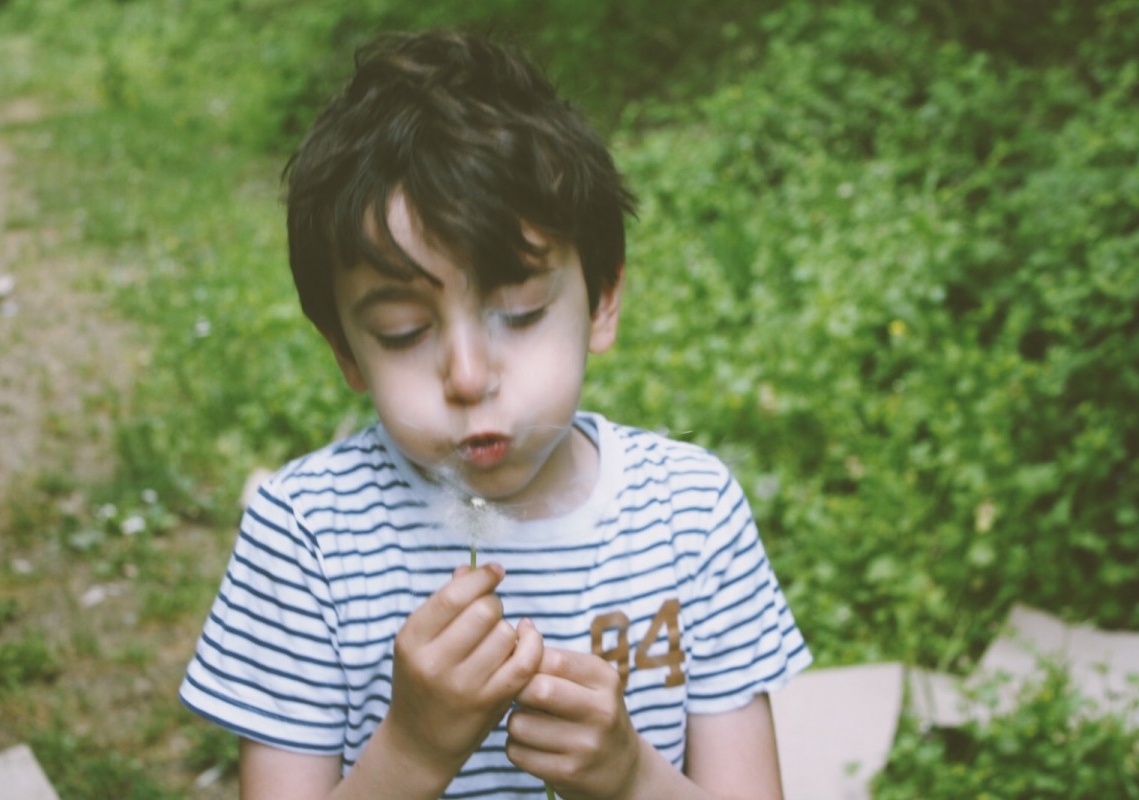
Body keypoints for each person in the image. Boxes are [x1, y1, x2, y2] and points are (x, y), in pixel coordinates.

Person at [179, 29, 811, 800]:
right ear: (345, 350)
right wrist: (409, 751)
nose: (468, 377)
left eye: (518, 311)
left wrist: (632, 776)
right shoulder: (308, 539)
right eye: (403, 333)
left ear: (603, 298)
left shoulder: (690, 518)